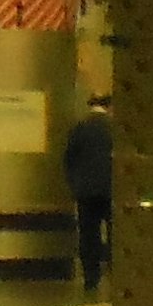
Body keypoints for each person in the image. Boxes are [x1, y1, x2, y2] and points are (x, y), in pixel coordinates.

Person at [63, 94, 114, 292]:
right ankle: (115, 274)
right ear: (108, 106)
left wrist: (74, 184)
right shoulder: (114, 128)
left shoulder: (79, 128)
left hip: (85, 192)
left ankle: (91, 278)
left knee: (88, 235)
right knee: (114, 235)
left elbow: (69, 159)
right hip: (111, 190)